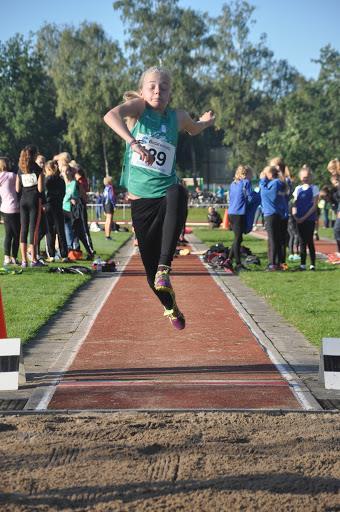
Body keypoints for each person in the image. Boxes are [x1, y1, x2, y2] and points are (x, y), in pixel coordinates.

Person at [103, 66, 215, 330]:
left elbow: (195, 128)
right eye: (152, 86)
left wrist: (207, 122)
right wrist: (133, 142)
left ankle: (166, 267)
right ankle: (170, 306)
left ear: (170, 93)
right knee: (150, 278)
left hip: (166, 193)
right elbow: (110, 116)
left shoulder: (177, 117)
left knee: (178, 191)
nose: (158, 91)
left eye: (164, 87)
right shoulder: (138, 109)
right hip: (141, 202)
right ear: (142, 91)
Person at [16, 145, 44, 267]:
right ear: (34, 155)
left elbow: (17, 188)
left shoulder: (20, 169)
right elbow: (40, 189)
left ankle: (23, 260)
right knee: (33, 229)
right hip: (34, 200)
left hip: (23, 200)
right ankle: (33, 259)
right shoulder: (38, 169)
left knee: (23, 229)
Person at [226, 165, 254, 272]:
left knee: (238, 238)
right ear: (246, 174)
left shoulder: (233, 184)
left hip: (231, 213)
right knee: (238, 238)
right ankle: (238, 264)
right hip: (239, 213)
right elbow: (250, 198)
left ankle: (228, 260)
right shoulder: (246, 182)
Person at [292, 165, 319, 271]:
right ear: (300, 177)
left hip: (310, 219)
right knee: (301, 241)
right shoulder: (298, 189)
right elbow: (294, 203)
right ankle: (302, 264)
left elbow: (314, 205)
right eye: (303, 177)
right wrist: (295, 216)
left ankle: (312, 264)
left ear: (311, 177)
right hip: (299, 219)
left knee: (309, 241)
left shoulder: (314, 188)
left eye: (307, 176)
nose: (305, 178)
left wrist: (304, 217)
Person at [259, 165, 285, 271]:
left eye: (265, 173)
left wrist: (262, 181)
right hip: (271, 213)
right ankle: (277, 262)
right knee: (274, 239)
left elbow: (269, 195)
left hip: (272, 214)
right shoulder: (273, 183)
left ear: (270, 173)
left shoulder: (276, 182)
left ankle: (273, 263)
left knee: (273, 239)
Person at [44, 160, 68, 262]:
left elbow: (44, 193)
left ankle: (52, 255)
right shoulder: (61, 180)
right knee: (60, 231)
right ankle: (64, 255)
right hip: (58, 206)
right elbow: (63, 193)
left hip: (49, 206)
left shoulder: (47, 180)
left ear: (48, 169)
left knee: (50, 231)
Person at [270, 157, 292, 268]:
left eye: (277, 167)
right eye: (273, 167)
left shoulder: (285, 181)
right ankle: (273, 261)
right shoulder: (271, 181)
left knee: (282, 238)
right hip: (272, 213)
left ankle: (282, 261)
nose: (275, 170)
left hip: (282, 213)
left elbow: (288, 194)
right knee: (273, 238)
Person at [0, 157, 20, 265]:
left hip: (4, 208)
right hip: (14, 208)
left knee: (8, 234)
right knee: (16, 235)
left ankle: (6, 257)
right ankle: (14, 257)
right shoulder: (12, 176)